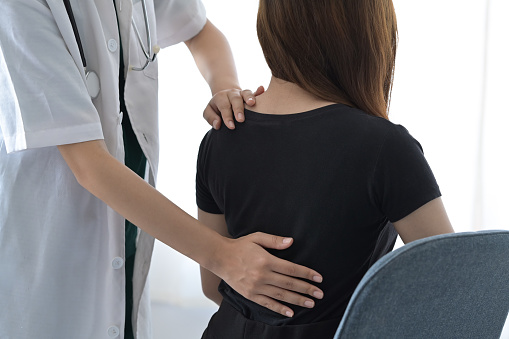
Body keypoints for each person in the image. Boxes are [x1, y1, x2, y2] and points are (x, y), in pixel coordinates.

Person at [0, 0, 325, 338]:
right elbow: (89, 164)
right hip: (48, 263)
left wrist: (226, 89)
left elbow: (201, 31)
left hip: (128, 243)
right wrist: (222, 256)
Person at [196, 0, 456, 338]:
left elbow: (213, 284)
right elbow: (452, 291)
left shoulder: (221, 136)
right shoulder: (384, 146)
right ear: (368, 34)